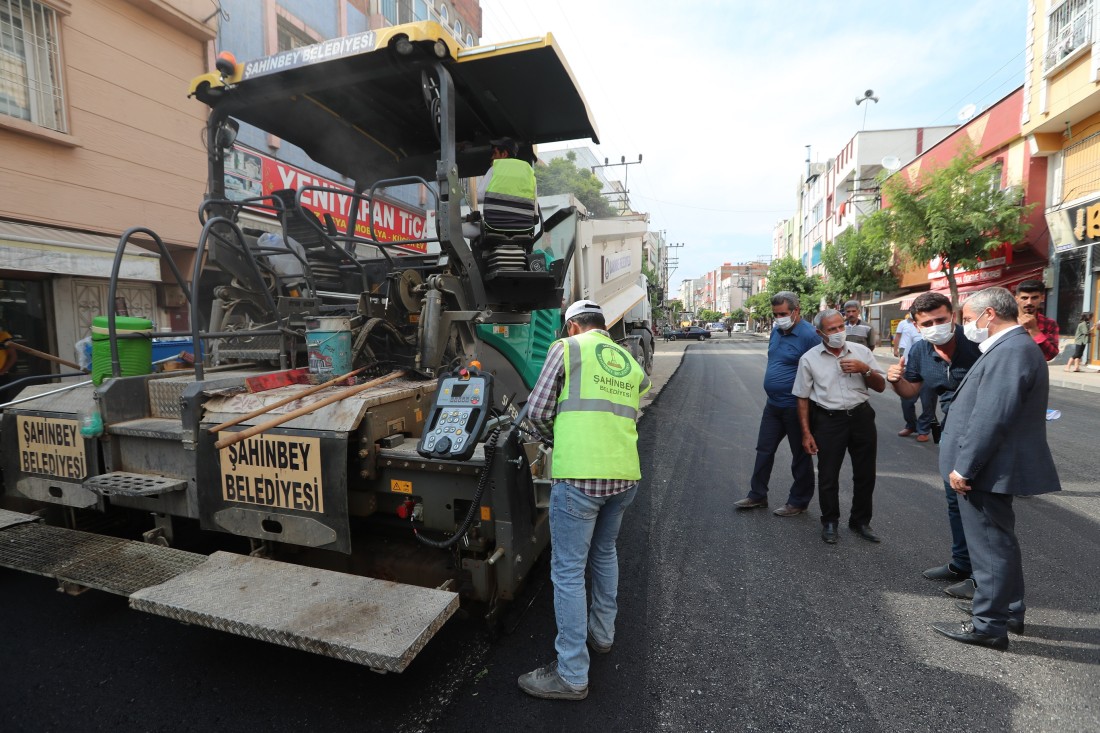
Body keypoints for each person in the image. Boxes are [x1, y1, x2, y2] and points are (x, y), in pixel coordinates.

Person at [518, 299, 651, 700]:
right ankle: (602, 634)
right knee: (605, 552)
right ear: (602, 325)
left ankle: (572, 674)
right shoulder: (628, 359)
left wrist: (557, 438)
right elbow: (633, 401)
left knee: (569, 572)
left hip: (579, 475)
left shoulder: (567, 348)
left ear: (572, 325)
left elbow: (536, 411)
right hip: (625, 474)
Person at [931, 287, 1061, 650]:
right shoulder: (1011, 348)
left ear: (989, 315)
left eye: (969, 319)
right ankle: (1009, 611)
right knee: (999, 543)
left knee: (990, 548)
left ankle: (988, 624)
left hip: (986, 470)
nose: (967, 326)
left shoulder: (1011, 350)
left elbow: (991, 417)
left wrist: (965, 468)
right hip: (993, 466)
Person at [886, 292, 983, 598]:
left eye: (941, 320)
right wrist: (894, 380)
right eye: (927, 323)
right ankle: (961, 563)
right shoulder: (919, 351)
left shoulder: (977, 344)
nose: (936, 326)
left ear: (952, 316)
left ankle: (983, 579)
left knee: (980, 506)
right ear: (916, 324)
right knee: (955, 501)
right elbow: (909, 390)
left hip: (983, 430)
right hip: (953, 431)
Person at [793, 309, 887, 543]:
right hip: (829, 420)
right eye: (832, 329)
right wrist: (806, 433)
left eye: (841, 327)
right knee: (827, 475)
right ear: (820, 333)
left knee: (865, 474)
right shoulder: (809, 359)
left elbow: (880, 386)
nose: (838, 332)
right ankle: (830, 522)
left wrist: (863, 369)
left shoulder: (862, 352)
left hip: (861, 417)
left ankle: (861, 521)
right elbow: (802, 398)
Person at [734, 291, 820, 517]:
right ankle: (757, 495)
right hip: (773, 406)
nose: (779, 318)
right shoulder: (776, 331)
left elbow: (819, 371)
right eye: (775, 314)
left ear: (796, 311)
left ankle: (799, 501)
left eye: (783, 313)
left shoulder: (810, 335)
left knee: (799, 455)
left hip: (796, 407)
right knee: (764, 450)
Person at [473, 137, 538, 235]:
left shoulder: (495, 168)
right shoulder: (528, 171)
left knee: (460, 229)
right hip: (523, 230)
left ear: (504, 154)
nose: (492, 157)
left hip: (493, 228)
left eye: (495, 153)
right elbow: (535, 211)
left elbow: (479, 196)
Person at [892, 311, 937, 441]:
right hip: (910, 367)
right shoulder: (910, 327)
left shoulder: (935, 329)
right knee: (906, 400)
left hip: (930, 369)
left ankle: (923, 429)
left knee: (928, 402)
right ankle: (911, 425)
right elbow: (904, 343)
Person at [1014, 280, 1059, 362]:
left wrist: (1034, 330)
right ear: (1016, 299)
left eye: (1034, 298)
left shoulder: (1049, 324)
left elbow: (1050, 355)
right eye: (1024, 298)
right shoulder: (1006, 320)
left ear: (1042, 298)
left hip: (1035, 372)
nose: (1029, 302)